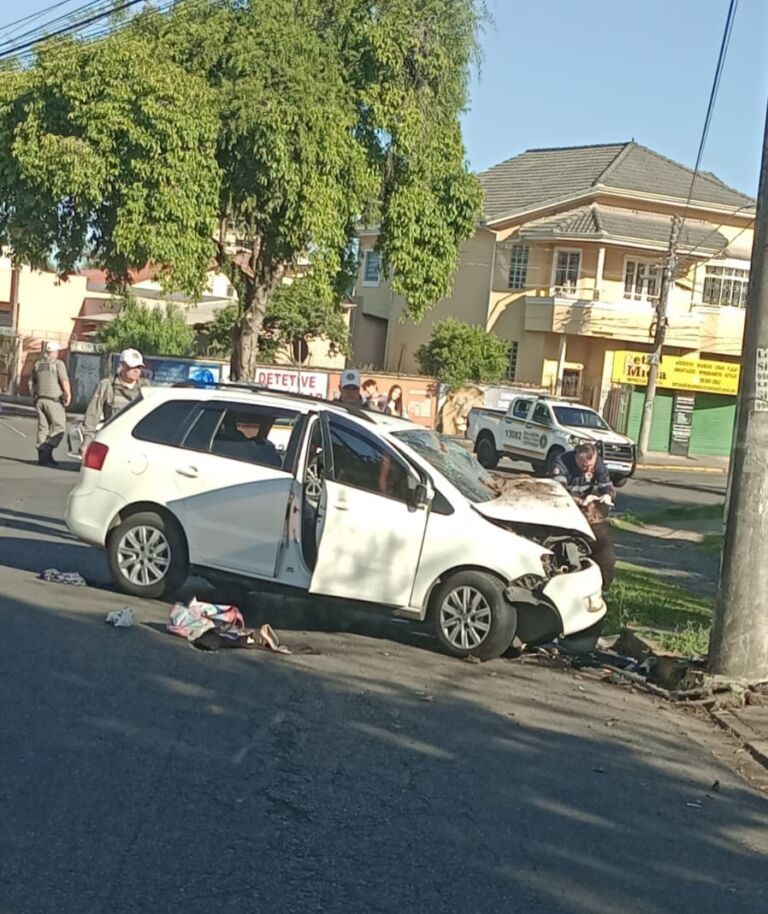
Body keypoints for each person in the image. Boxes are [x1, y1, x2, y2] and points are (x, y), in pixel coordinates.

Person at [551, 442, 616, 589]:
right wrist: (580, 501)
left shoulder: (597, 463)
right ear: (576, 458)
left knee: (604, 547)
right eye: (584, 466)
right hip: (564, 510)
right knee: (560, 546)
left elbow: (607, 486)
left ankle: (604, 585)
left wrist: (607, 496)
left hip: (588, 511)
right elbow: (559, 491)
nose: (588, 470)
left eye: (591, 466)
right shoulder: (562, 462)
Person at [81, 348, 150, 452]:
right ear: (122, 365)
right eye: (132, 367)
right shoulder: (107, 385)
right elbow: (93, 414)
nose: (136, 370)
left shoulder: (146, 388)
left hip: (138, 444)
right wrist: (86, 442)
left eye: (139, 367)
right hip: (113, 442)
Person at [31, 342, 71, 467]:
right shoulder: (58, 364)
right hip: (53, 401)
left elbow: (33, 382)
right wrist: (68, 394)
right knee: (59, 428)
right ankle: (46, 448)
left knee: (43, 429)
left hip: (40, 400)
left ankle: (44, 458)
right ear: (55, 352)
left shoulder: (38, 364)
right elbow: (64, 380)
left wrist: (34, 397)